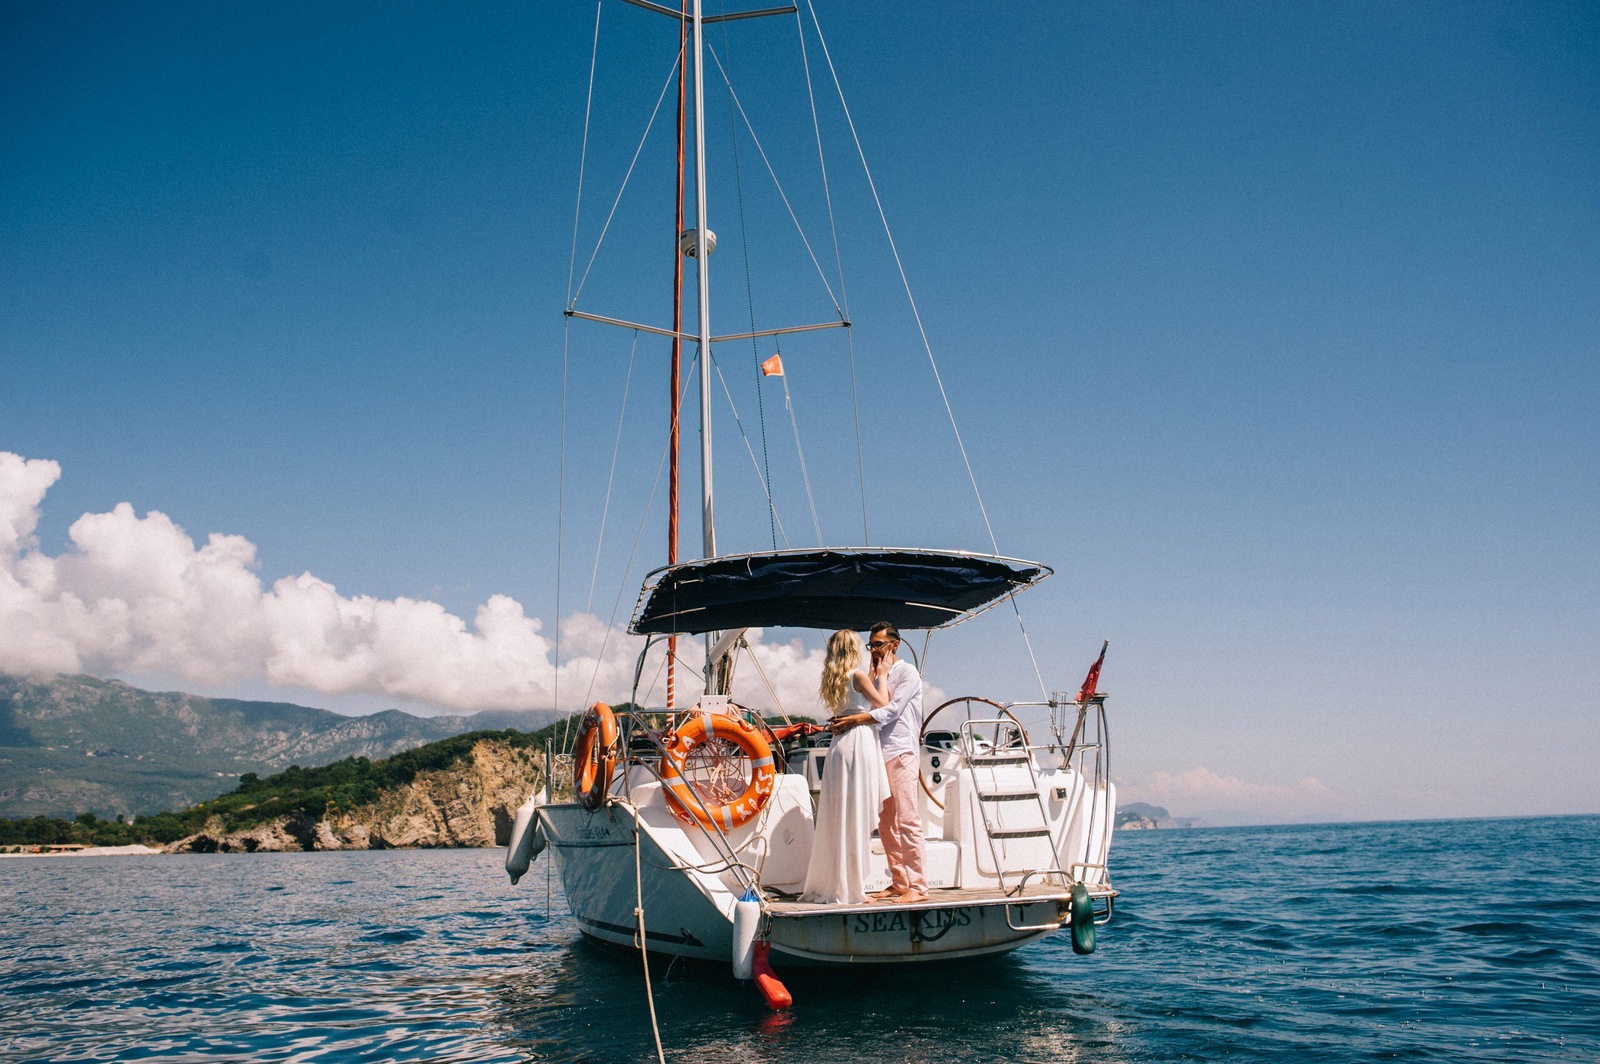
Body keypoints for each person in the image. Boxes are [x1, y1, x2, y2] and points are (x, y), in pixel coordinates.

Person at [830, 621, 926, 904]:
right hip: (875, 752)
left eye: (878, 644)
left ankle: (918, 886)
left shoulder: (908, 673)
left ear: (893, 645)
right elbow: (864, 705)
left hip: (901, 751)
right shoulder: (872, 676)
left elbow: (892, 710)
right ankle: (899, 881)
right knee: (886, 823)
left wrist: (855, 720)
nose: (872, 650)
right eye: (870, 645)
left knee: (907, 820)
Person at [800, 630, 891, 904]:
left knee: (839, 816)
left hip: (838, 747)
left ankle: (838, 881)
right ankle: (852, 888)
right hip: (858, 744)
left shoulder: (835, 678)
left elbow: (856, 703)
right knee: (856, 815)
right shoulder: (858, 676)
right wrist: (883, 676)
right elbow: (883, 706)